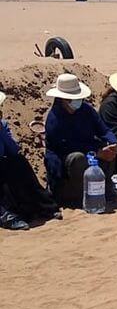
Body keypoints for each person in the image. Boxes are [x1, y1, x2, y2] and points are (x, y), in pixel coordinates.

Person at [44, 74, 117, 208]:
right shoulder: (54, 119)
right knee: (77, 159)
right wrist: (96, 152)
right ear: (63, 99)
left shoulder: (86, 110)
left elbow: (103, 129)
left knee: (109, 150)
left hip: (90, 148)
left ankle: (105, 187)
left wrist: (113, 142)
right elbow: (67, 147)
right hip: (66, 160)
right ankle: (77, 195)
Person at [0, 91, 60, 230]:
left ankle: (41, 206)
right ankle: (5, 215)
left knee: (19, 162)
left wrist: (1, 131)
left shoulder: (2, 125)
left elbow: (13, 150)